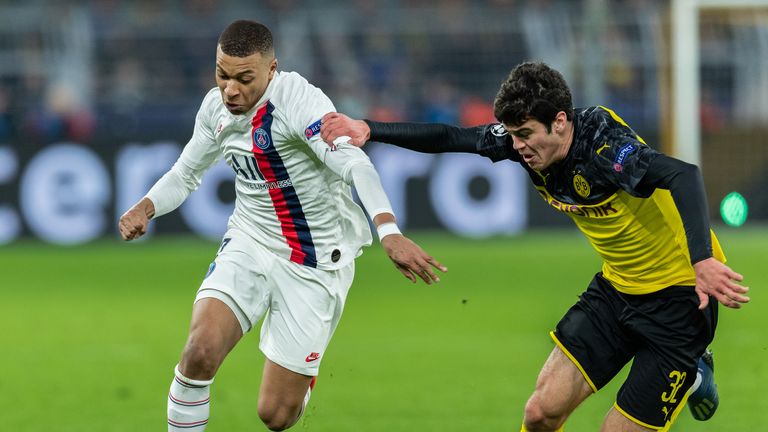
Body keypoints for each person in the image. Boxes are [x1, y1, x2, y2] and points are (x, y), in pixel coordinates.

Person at [320, 62, 749, 432]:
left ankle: (692, 367)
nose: (518, 145)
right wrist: (370, 129)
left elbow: (683, 174)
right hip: (617, 292)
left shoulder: (603, 146)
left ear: (560, 121)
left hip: (680, 303)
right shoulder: (521, 142)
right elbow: (452, 137)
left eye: (525, 134)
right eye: (512, 134)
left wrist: (703, 261)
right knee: (541, 412)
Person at [118, 20, 446, 432]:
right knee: (198, 353)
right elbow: (186, 173)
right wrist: (145, 207)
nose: (230, 89)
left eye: (244, 78)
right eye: (222, 74)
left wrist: (389, 230)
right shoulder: (214, 108)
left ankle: (301, 379)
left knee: (276, 415)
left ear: (272, 69)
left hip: (315, 262)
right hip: (250, 241)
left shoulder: (300, 103)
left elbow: (355, 164)